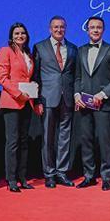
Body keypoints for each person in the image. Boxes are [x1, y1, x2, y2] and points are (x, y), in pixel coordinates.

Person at [74, 16, 110, 191]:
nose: (95, 30)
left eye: (98, 27)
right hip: (84, 104)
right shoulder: (80, 50)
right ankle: (89, 176)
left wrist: (103, 94)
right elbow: (77, 77)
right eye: (92, 27)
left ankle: (106, 177)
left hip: (103, 104)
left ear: (103, 30)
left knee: (105, 141)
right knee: (86, 140)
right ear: (87, 30)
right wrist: (76, 95)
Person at [32, 16, 77, 188]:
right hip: (47, 97)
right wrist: (37, 100)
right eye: (55, 27)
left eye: (62, 27)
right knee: (48, 138)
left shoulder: (73, 48)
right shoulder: (39, 47)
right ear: (50, 29)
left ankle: (61, 172)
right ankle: (49, 173)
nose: (59, 30)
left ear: (65, 28)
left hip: (68, 97)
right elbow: (35, 75)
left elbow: (74, 74)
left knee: (65, 137)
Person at [0, 22, 42, 192]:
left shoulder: (28, 54)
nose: (20, 36)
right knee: (12, 142)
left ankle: (22, 178)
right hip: (12, 102)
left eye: (22, 33)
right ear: (11, 36)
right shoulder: (5, 51)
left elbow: (28, 77)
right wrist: (18, 94)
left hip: (27, 102)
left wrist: (32, 89)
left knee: (24, 142)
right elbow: (3, 78)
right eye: (16, 33)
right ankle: (11, 179)